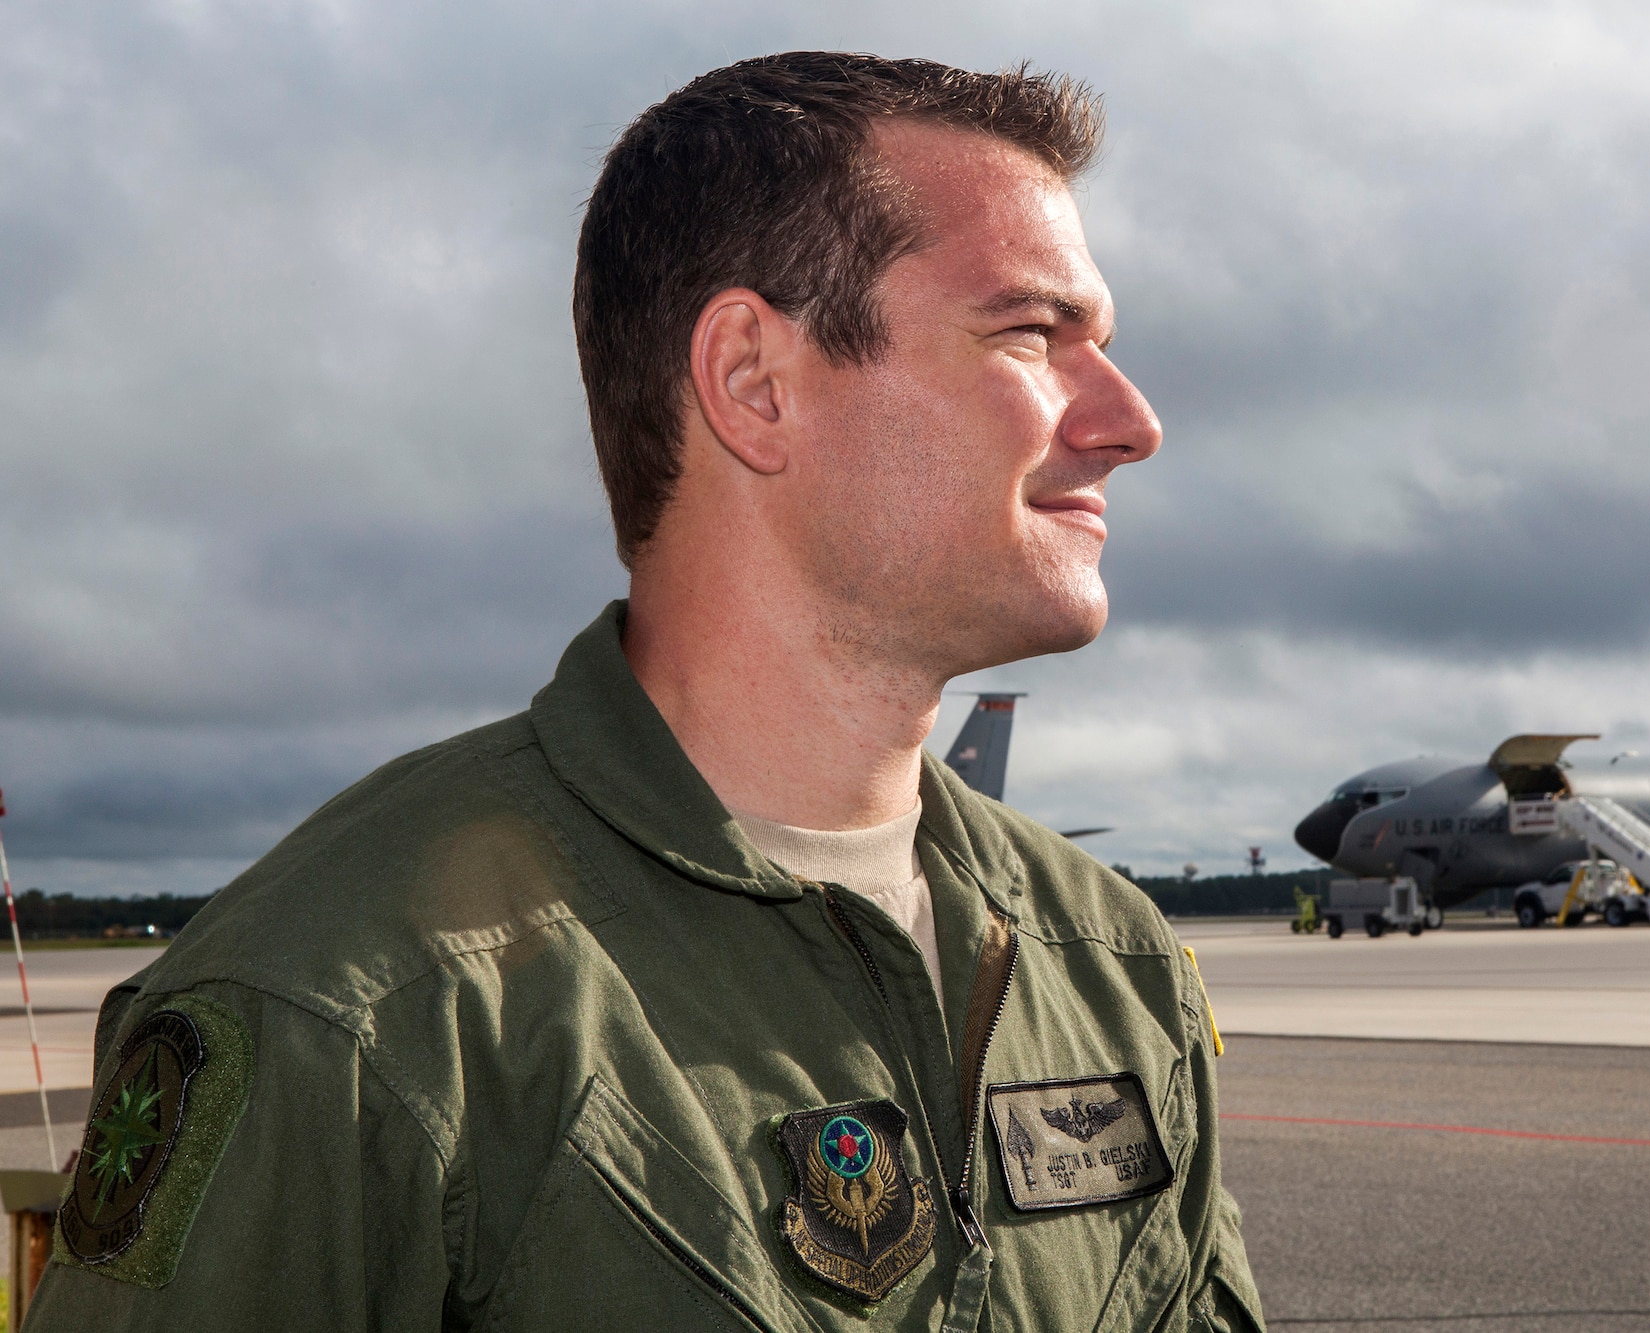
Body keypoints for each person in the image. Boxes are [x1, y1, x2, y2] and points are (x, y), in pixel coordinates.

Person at [26, 52, 1264, 1332]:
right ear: (751, 380)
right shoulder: (353, 1008)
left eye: (1101, 346)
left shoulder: (1110, 966)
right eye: (1027, 332)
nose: (1130, 420)